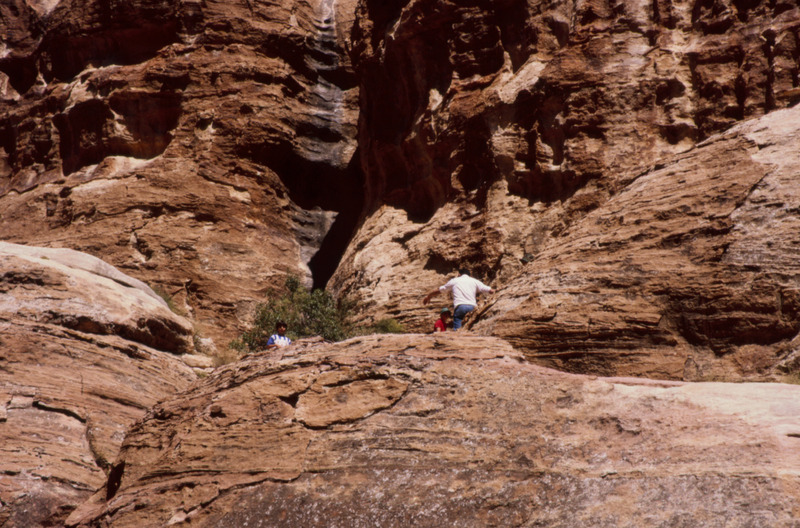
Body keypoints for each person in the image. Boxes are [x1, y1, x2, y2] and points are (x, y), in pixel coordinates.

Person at [423, 268, 495, 330]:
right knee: (471, 328)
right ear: (469, 275)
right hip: (473, 307)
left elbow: (440, 290)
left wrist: (429, 296)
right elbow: (489, 290)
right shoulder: (474, 281)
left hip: (460, 307)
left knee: (458, 329)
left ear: (459, 274)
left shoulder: (455, 280)